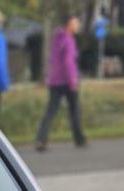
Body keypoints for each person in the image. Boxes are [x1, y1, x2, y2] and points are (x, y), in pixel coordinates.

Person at [35, 15, 87, 151]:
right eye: (76, 23)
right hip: (67, 81)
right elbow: (68, 62)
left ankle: (41, 138)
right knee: (74, 110)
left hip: (54, 80)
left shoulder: (56, 39)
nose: (78, 26)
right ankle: (79, 138)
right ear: (69, 25)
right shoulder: (69, 40)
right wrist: (73, 80)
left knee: (50, 111)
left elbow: (53, 59)